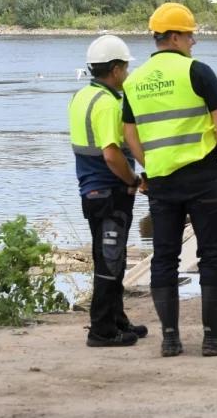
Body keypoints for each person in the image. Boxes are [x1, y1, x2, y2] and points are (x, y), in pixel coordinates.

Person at [122, 2, 217, 358]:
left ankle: (170, 338)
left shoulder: (135, 80)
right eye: (189, 35)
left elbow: (130, 133)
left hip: (161, 182)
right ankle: (213, 338)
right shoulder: (197, 73)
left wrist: (151, 163)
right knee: (213, 255)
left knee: (164, 257)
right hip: (203, 175)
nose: (193, 42)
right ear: (173, 36)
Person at [69, 35, 147, 347]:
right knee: (110, 260)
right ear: (115, 69)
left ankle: (117, 319)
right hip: (108, 192)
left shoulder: (82, 96)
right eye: (126, 68)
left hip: (91, 191)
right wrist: (133, 180)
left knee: (110, 255)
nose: (127, 74)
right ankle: (101, 330)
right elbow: (112, 154)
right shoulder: (107, 105)